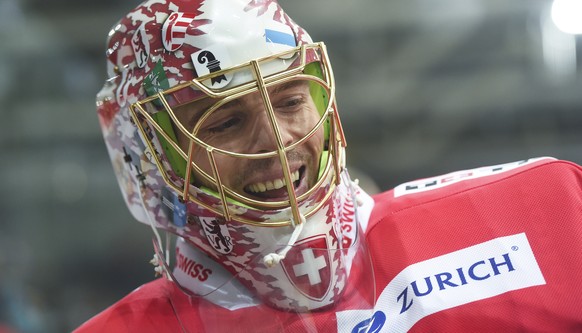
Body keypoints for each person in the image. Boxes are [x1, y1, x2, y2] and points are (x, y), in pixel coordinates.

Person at [75, 0, 582, 332]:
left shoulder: (551, 208)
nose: (278, 141)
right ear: (149, 159)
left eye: (292, 100)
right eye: (225, 122)